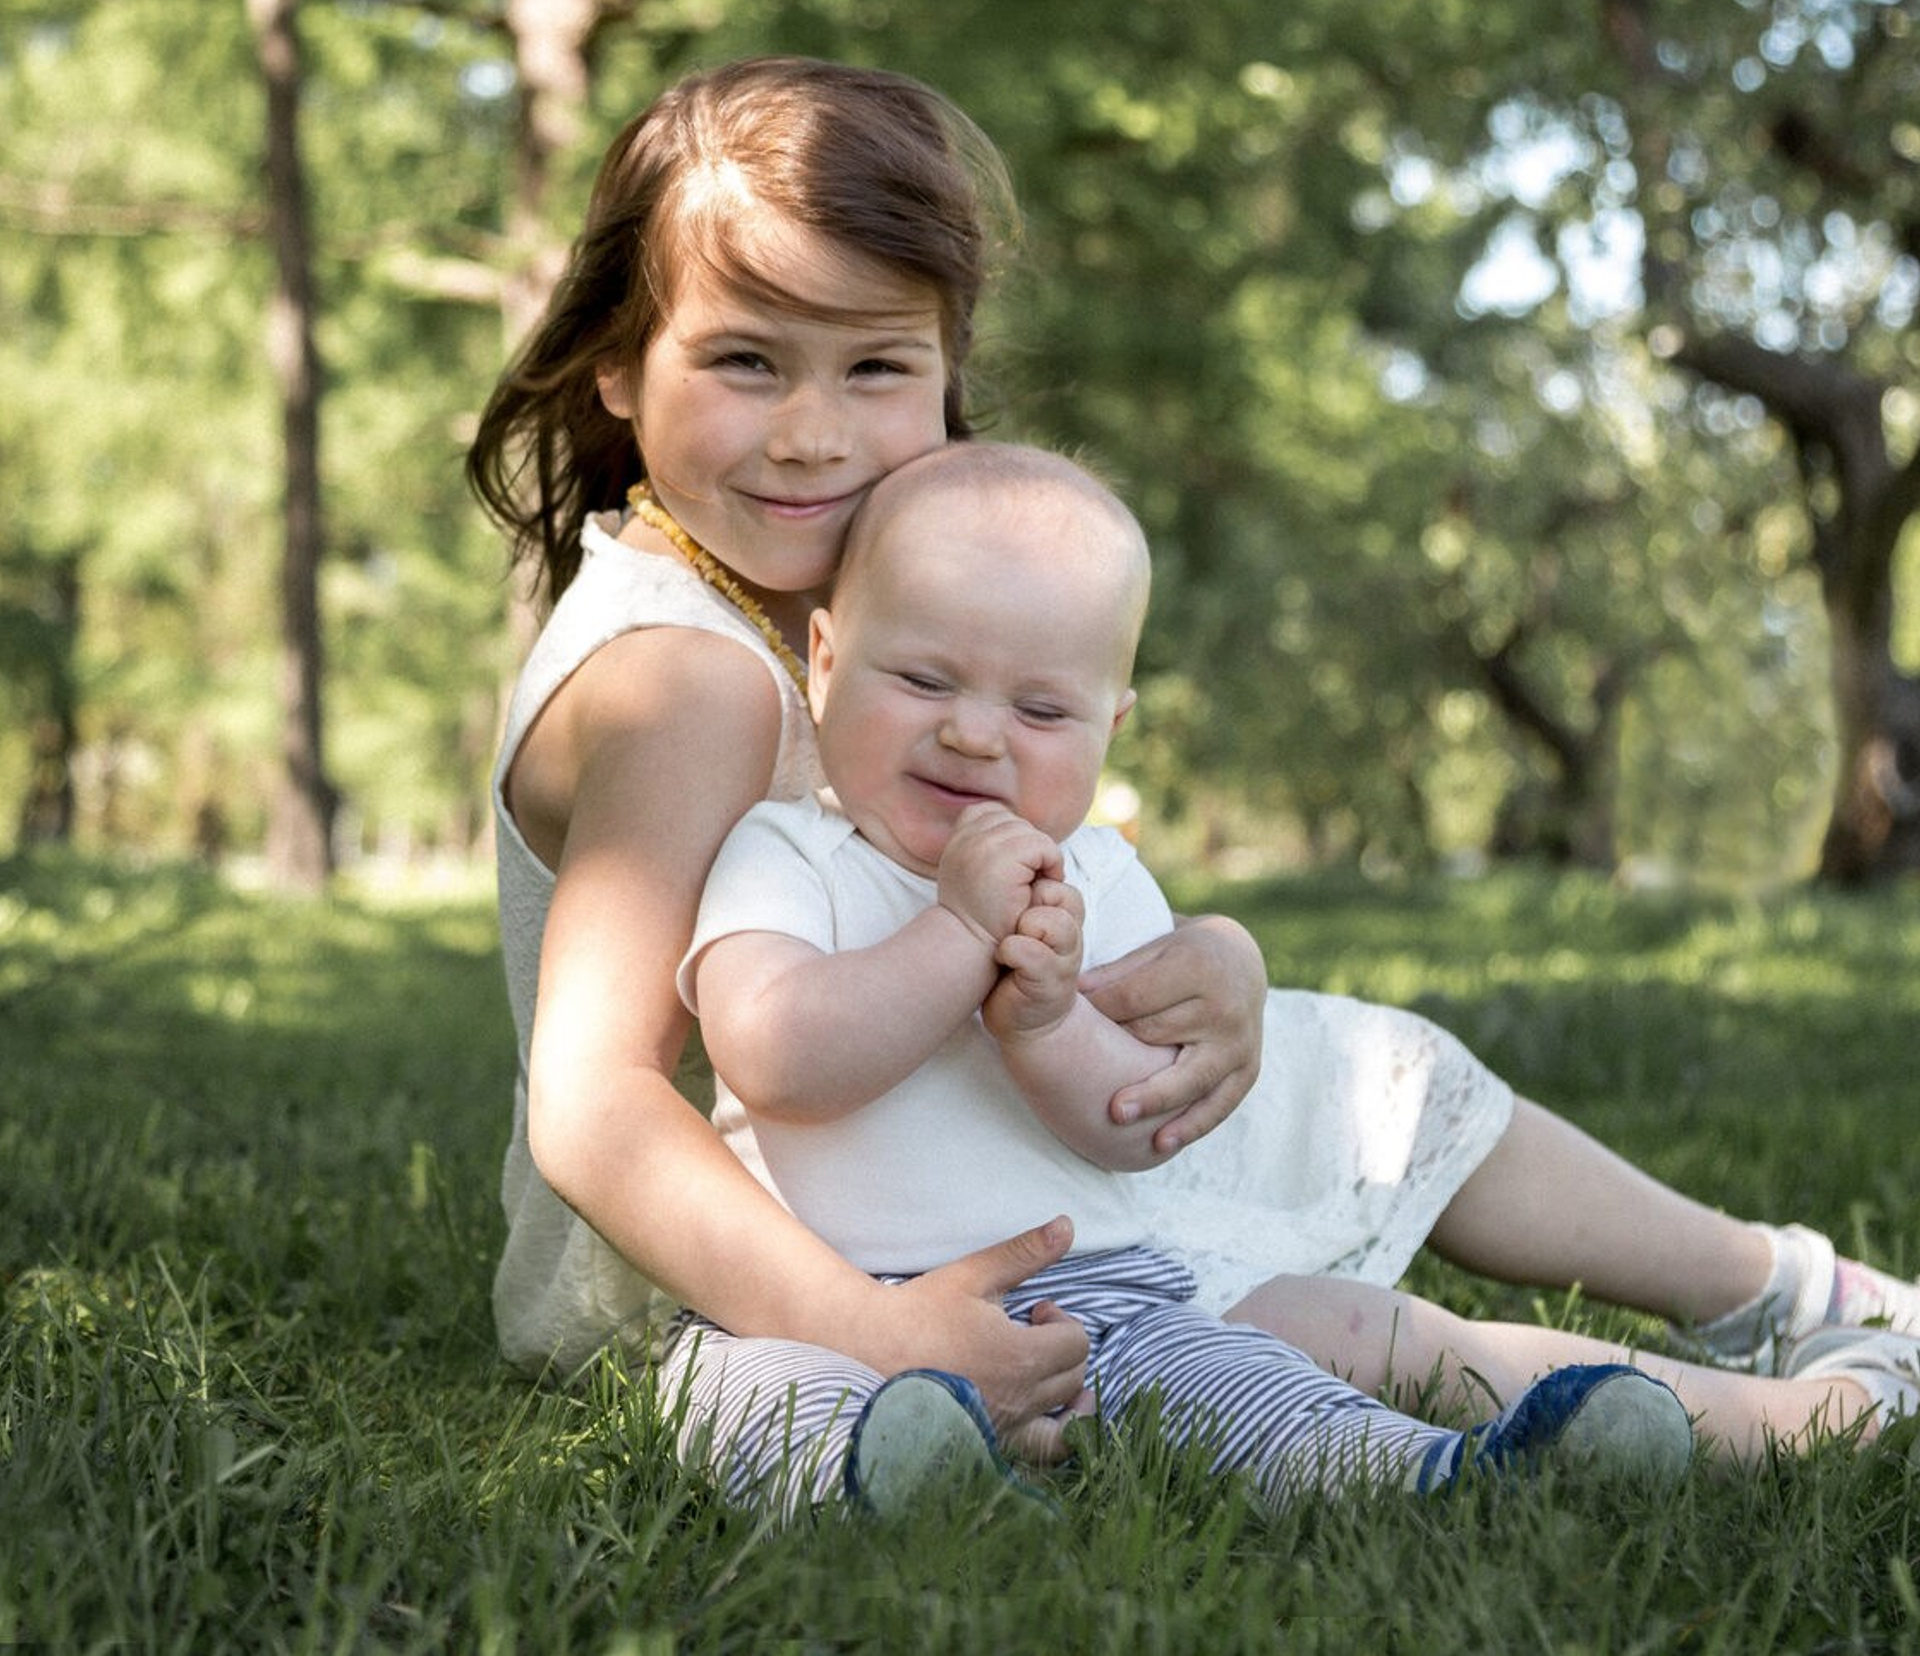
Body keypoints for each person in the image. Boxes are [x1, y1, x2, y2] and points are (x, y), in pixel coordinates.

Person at [463, 55, 1917, 1492]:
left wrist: (1205, 960)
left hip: (975, 1138)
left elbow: (1008, 878)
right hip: (754, 1287)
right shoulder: (688, 677)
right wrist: (873, 1329)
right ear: (615, 367)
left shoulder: (834, 581)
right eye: (744, 360)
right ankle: (1800, 1329)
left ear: (948, 373)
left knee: (1360, 1075)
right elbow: (597, 1105)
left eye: (877, 366)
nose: (813, 432)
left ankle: (1786, 1306)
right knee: (1361, 1196)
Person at [676, 442, 1914, 1506]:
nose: (974, 732)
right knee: (730, 1387)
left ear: (1114, 729)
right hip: (830, 1301)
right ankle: (878, 1472)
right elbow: (776, 1059)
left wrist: (1048, 1019)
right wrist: (954, 937)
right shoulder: (788, 850)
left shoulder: (1095, 881)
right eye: (924, 679)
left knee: (1242, 1372)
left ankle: (1424, 1476)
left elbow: (1135, 1128)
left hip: (1101, 1294)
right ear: (825, 661)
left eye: (1041, 711)